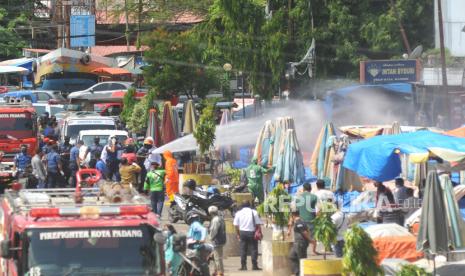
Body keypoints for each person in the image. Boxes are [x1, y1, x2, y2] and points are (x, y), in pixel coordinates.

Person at [289, 183, 319, 255]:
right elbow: (319, 209)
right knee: (312, 235)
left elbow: (293, 209)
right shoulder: (314, 197)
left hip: (300, 220)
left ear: (303, 189)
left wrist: (292, 221)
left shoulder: (298, 198)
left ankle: (301, 249)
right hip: (311, 219)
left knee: (301, 235)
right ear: (310, 189)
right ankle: (313, 251)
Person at [233, 200, 262, 271]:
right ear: (249, 205)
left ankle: (243, 266)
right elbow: (258, 224)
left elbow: (236, 225)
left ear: (242, 205)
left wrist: (238, 234)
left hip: (242, 232)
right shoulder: (254, 212)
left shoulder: (238, 213)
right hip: (252, 232)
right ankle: (254, 265)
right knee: (254, 249)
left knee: (243, 249)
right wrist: (260, 232)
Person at [288, 210, 312, 276]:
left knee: (302, 259)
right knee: (292, 256)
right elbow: (290, 225)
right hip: (297, 243)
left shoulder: (299, 222)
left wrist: (311, 240)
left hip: (301, 243)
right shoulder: (296, 221)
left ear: (293, 215)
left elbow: (304, 232)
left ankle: (303, 273)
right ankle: (297, 272)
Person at [209, 206, 226, 276]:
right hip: (222, 240)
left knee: (217, 258)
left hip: (217, 241)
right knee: (216, 256)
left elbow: (213, 231)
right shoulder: (221, 218)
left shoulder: (215, 220)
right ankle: (215, 271)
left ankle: (220, 272)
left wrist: (210, 238)